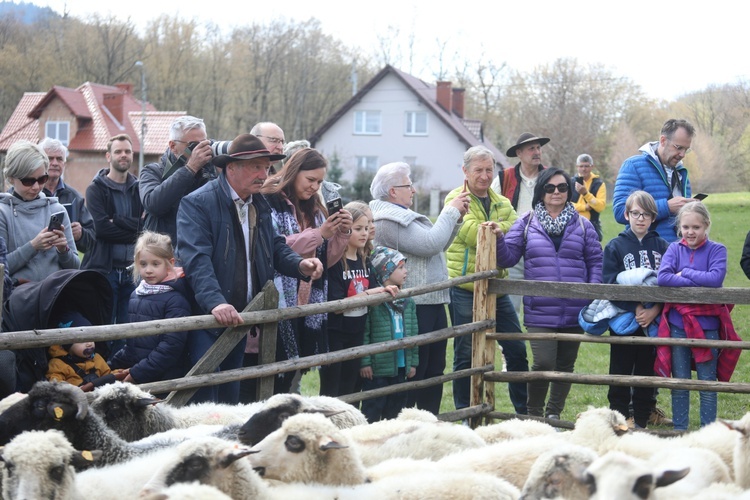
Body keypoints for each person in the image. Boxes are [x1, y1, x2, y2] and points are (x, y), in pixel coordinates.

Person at [176, 133, 323, 404]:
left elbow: (274, 246)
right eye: (256, 166)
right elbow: (196, 260)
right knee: (205, 397)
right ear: (231, 167)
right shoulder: (198, 203)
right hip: (208, 318)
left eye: (266, 167)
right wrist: (216, 303)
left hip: (242, 317)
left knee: (231, 396)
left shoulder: (258, 203)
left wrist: (300, 265)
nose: (263, 174)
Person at [492, 167, 602, 420]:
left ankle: (553, 415)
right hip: (540, 310)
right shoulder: (527, 222)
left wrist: (590, 296)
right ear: (541, 191)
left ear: (568, 191)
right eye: (550, 187)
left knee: (565, 367)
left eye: (562, 187)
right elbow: (507, 259)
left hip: (575, 310)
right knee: (542, 364)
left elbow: (596, 261)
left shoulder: (583, 226)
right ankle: (534, 415)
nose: (556, 192)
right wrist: (499, 237)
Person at [369, 161, 468, 414]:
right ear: (393, 191)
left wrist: (456, 219)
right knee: (417, 371)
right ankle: (411, 422)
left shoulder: (402, 215)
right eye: (408, 185)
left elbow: (439, 245)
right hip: (415, 304)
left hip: (432, 300)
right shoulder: (388, 220)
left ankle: (429, 422)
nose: (413, 190)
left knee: (434, 368)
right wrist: (449, 211)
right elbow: (430, 244)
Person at [256, 148, 352, 397]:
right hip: (276, 299)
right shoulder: (268, 199)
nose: (314, 187)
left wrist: (342, 232)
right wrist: (320, 234)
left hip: (305, 299)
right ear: (294, 171)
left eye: (319, 182)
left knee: (289, 378)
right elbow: (275, 247)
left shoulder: (315, 208)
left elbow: (325, 259)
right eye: (310, 180)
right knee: (270, 375)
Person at [445, 145, 529, 415]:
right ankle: (464, 413)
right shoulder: (455, 199)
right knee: (465, 353)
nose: (483, 175)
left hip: (496, 287)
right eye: (478, 170)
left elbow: (518, 229)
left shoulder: (501, 202)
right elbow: (470, 233)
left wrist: (496, 228)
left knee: (516, 348)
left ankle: (523, 412)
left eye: (488, 170)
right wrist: (496, 228)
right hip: (465, 287)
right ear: (465, 171)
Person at [655, 202, 740, 430]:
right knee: (680, 381)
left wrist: (685, 273)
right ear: (679, 228)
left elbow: (715, 279)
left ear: (706, 226)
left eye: (696, 227)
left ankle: (708, 431)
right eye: (685, 227)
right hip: (678, 325)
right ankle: (680, 430)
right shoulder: (674, 249)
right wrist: (694, 280)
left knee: (706, 382)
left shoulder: (717, 250)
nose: (690, 232)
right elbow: (663, 277)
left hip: (707, 326)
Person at [602, 191, 668, 429]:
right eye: (636, 213)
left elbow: (670, 283)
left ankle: (641, 418)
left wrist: (654, 310)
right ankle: (619, 418)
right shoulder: (615, 247)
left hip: (652, 322)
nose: (641, 218)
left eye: (646, 214)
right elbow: (609, 283)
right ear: (627, 215)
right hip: (623, 321)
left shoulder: (662, 246)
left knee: (646, 371)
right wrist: (635, 306)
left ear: (653, 217)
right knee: (620, 369)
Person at [321, 203, 394, 397]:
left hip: (358, 330)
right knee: (332, 388)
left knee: (352, 387)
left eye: (367, 228)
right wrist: (373, 293)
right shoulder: (336, 264)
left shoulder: (364, 261)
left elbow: (371, 297)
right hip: (336, 333)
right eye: (358, 228)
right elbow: (336, 306)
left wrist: (383, 293)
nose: (365, 233)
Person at [83, 134, 141, 356]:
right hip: (105, 271)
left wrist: (115, 219)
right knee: (103, 329)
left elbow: (145, 228)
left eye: (127, 151)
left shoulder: (138, 188)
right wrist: (134, 227)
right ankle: (100, 377)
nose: (123, 155)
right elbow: (101, 230)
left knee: (128, 332)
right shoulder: (96, 189)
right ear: (108, 156)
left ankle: (123, 378)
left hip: (133, 272)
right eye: (118, 151)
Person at [108, 231, 191, 385]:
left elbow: (171, 346)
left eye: (155, 264)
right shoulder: (136, 295)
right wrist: (111, 365)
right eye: (143, 264)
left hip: (163, 378)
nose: (148, 270)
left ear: (170, 263)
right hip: (139, 373)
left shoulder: (176, 300)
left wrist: (139, 372)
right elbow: (133, 343)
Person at [0, 140, 79, 285]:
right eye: (28, 181)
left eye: (42, 179)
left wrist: (63, 250)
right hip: (20, 300)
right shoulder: (3, 213)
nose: (36, 187)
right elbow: (2, 268)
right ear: (11, 178)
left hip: (55, 298)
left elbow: (75, 267)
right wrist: (33, 246)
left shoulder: (57, 209)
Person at [494, 133, 550, 318]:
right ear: (519, 153)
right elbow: (489, 205)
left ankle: (542, 339)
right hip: (514, 245)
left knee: (543, 298)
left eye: (538, 148)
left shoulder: (550, 176)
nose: (537, 152)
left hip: (544, 247)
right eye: (531, 148)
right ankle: (511, 344)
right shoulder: (504, 177)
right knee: (512, 299)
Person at [139, 116, 219, 245]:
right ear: (172, 146)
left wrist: (220, 170)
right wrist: (190, 169)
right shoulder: (153, 171)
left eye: (204, 143)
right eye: (193, 145)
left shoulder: (209, 173)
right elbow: (153, 204)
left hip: (200, 251)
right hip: (164, 254)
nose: (200, 150)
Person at [613, 119, 695, 243]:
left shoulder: (682, 173)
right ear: (663, 140)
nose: (682, 154)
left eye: (686, 149)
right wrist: (666, 207)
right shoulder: (634, 165)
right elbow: (620, 212)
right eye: (678, 147)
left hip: (680, 253)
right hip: (646, 251)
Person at [360, 246, 418, 422]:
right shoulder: (374, 303)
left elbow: (414, 332)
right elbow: (366, 333)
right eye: (400, 267)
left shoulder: (408, 300)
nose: (405, 271)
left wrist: (413, 362)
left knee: (396, 409)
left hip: (401, 367)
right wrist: (365, 362)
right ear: (385, 272)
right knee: (373, 409)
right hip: (378, 369)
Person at [39, 137, 96, 254]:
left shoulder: (75, 197)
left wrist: (81, 235)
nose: (55, 163)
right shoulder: (31, 192)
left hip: (64, 265)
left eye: (59, 159)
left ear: (64, 164)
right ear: (40, 162)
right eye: (50, 158)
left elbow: (92, 239)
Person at [571, 153, 606, 241]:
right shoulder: (570, 182)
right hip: (571, 225)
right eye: (581, 166)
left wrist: (586, 194)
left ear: (592, 167)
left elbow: (600, 206)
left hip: (592, 225)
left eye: (587, 166)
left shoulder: (599, 184)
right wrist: (584, 207)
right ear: (577, 167)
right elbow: (564, 205)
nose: (584, 169)